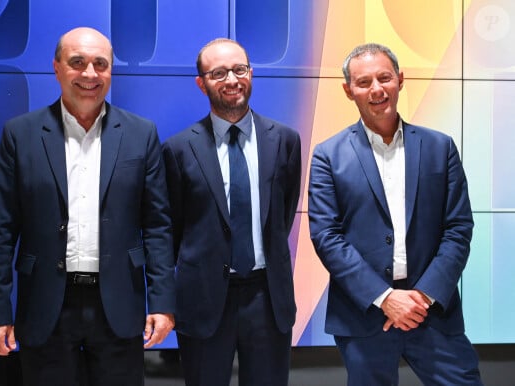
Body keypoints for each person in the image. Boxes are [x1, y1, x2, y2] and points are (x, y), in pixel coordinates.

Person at [0, 27, 176, 386]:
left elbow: (158, 227)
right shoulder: (20, 134)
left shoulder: (141, 134)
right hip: (46, 303)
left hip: (118, 301)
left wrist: (162, 302)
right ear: (56, 68)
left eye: (100, 64)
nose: (90, 74)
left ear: (111, 71)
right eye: (78, 62)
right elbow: (1, 231)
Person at [308, 42, 483, 385]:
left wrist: (421, 296)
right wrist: (385, 298)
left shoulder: (439, 147)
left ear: (400, 80)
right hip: (364, 313)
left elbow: (458, 227)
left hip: (430, 311)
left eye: (384, 78)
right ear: (348, 90)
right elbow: (327, 236)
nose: (376, 89)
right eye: (364, 82)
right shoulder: (328, 155)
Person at [162, 38, 302, 386]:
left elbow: (282, 217)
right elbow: (171, 230)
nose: (232, 80)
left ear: (251, 73)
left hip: (267, 298)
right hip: (204, 299)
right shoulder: (178, 149)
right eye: (219, 72)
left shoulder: (285, 140)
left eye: (239, 69)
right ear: (202, 82)